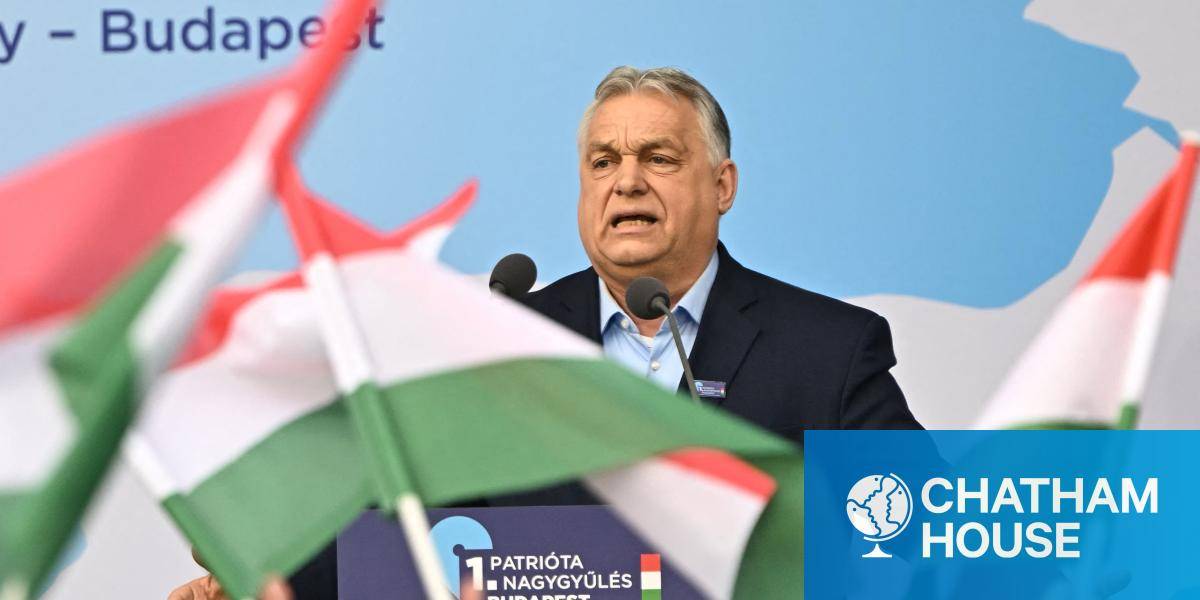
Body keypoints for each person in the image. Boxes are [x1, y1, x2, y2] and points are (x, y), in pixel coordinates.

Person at [168, 64, 920, 599]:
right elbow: (395, 539)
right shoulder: (493, 341)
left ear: (722, 186)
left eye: (659, 158)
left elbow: (917, 535)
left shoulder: (828, 350)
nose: (627, 181)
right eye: (603, 162)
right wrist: (262, 563)